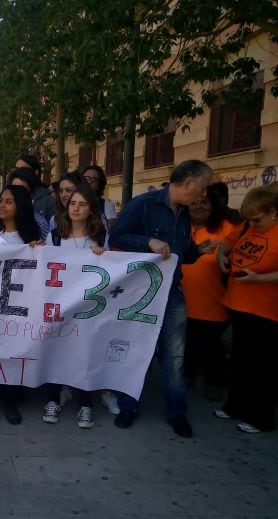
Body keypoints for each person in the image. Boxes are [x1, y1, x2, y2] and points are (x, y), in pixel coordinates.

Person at [110, 159, 216, 438]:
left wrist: (198, 251)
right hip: (140, 293)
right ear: (189, 182)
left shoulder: (184, 214)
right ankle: (127, 406)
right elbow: (116, 237)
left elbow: (181, 254)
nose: (203, 193)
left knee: (175, 356)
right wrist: (148, 242)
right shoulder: (143, 204)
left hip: (171, 294)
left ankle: (176, 413)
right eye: (203, 186)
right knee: (135, 351)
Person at [215, 186, 278, 433]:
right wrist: (222, 255)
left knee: (265, 367)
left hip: (269, 311)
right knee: (241, 360)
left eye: (257, 220)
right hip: (241, 304)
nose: (252, 224)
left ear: (272, 212)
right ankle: (235, 405)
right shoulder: (247, 226)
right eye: (249, 220)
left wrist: (258, 279)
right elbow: (227, 244)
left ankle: (262, 417)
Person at [0, 185, 43, 425]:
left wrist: (40, 252)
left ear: (21, 207)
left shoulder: (32, 238)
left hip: (19, 305)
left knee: (15, 351)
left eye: (9, 202)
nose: (2, 205)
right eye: (1, 200)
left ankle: (11, 400)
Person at [42, 186, 107, 429]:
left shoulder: (98, 238)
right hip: (58, 305)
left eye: (82, 204)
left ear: (91, 210)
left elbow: (109, 272)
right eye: (72, 203)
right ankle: (52, 399)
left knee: (85, 354)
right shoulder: (55, 237)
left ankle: (85, 405)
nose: (76, 208)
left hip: (87, 308)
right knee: (55, 353)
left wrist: (103, 255)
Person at [180, 191, 235, 401]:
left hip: (214, 301)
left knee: (213, 348)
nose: (198, 206)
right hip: (182, 301)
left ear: (213, 206)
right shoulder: (181, 228)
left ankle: (214, 383)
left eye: (204, 201)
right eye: (193, 202)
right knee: (187, 345)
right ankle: (187, 377)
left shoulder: (228, 230)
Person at [83, 164, 117, 230]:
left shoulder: (106, 205)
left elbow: (111, 231)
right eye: (86, 178)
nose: (89, 182)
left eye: (94, 179)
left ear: (99, 184)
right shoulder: (72, 203)